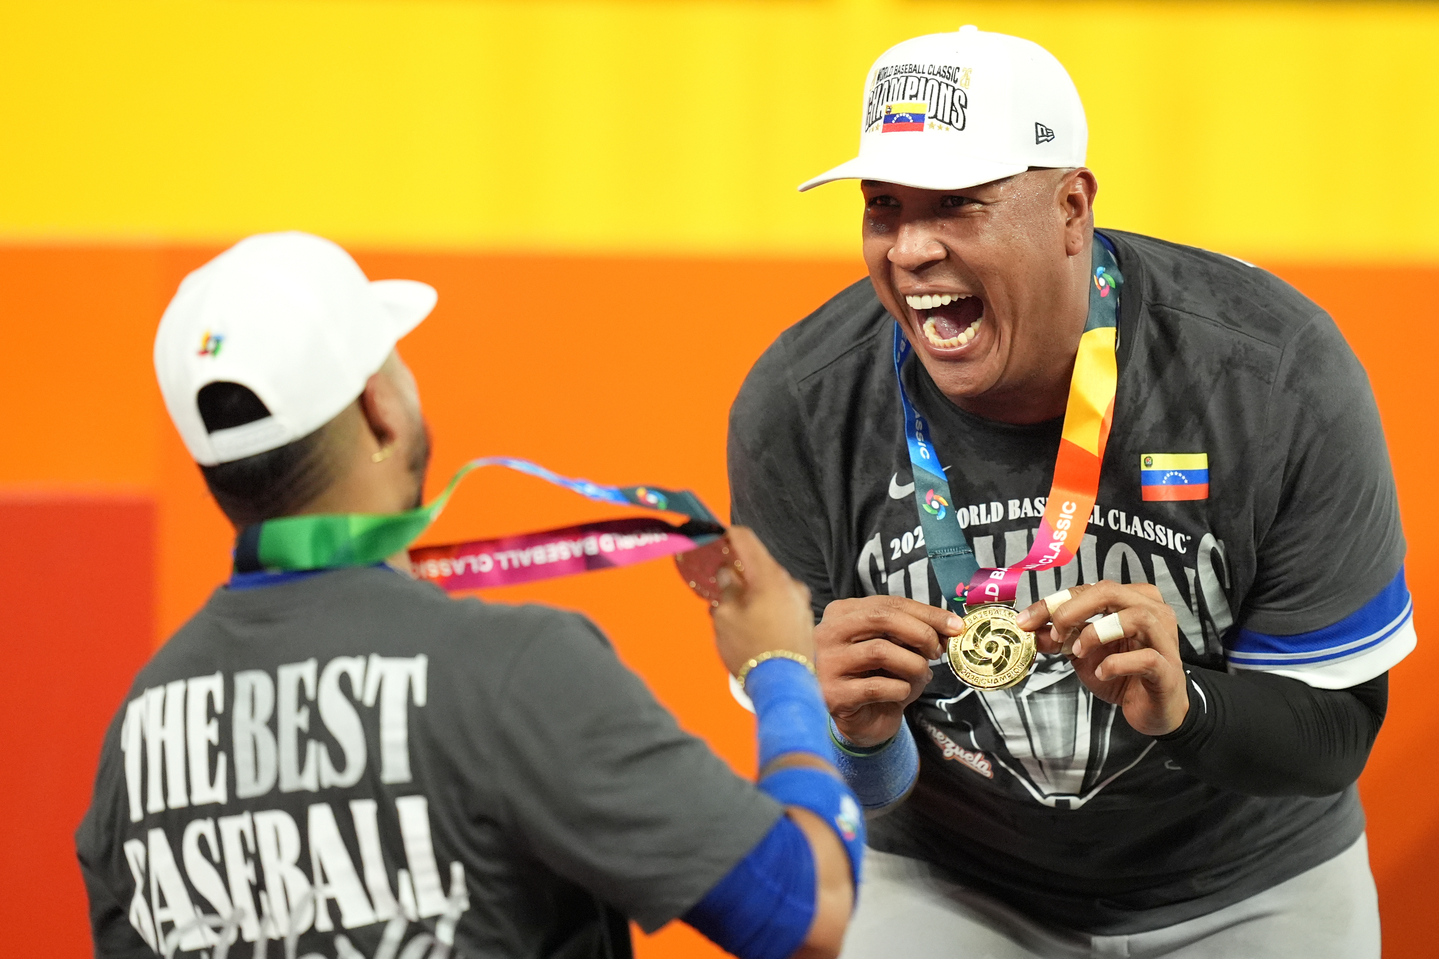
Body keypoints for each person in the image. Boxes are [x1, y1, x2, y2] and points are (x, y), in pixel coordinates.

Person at [727, 24, 1411, 959]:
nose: (911, 247)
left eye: (958, 204)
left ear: (1070, 208)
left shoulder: (1273, 376)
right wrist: (856, 731)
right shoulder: (800, 406)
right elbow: (856, 788)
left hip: (1248, 881)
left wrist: (1185, 706)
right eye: (884, 206)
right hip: (953, 882)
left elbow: (1332, 738)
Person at [75, 231, 864, 959]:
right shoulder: (512, 671)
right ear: (377, 408)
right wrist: (778, 664)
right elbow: (808, 905)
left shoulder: (135, 736)